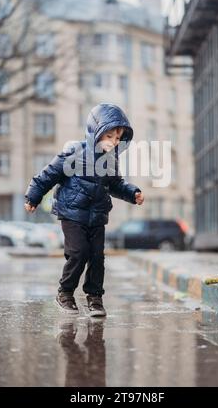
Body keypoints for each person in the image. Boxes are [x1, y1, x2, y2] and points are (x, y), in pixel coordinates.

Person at [24, 103, 144, 317]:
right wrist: (33, 196)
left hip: (97, 215)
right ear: (95, 131)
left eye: (118, 138)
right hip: (72, 213)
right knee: (79, 253)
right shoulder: (74, 152)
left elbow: (115, 184)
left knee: (97, 257)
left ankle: (95, 298)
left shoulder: (111, 160)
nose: (114, 142)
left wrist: (131, 193)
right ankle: (65, 293)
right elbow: (48, 175)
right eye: (109, 136)